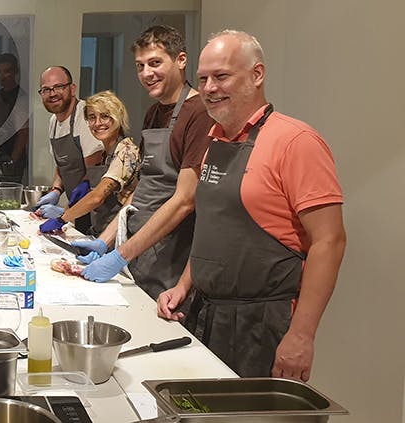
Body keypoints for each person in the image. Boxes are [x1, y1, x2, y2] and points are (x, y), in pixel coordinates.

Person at [156, 30, 346, 380]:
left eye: (221, 76)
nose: (210, 88)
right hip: (206, 315)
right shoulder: (216, 142)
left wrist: (301, 336)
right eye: (203, 79)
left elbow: (329, 242)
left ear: (257, 75)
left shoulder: (297, 141)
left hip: (262, 326)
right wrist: (184, 285)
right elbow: (214, 228)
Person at [70, 25, 215, 300]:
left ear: (181, 60)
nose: (146, 73)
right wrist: (106, 241)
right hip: (141, 246)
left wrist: (120, 255)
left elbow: (185, 199)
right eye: (140, 66)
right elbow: (144, 186)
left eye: (155, 63)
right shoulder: (152, 114)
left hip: (171, 252)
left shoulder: (199, 113)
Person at [39, 91, 141, 236]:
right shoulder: (105, 152)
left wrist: (62, 218)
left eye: (105, 116)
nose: (98, 123)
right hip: (100, 229)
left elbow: (97, 197)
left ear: (118, 118)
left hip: (119, 236)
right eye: (92, 117)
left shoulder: (126, 151)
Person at [31, 66, 105, 233]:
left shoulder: (86, 115)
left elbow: (93, 172)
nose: (52, 93)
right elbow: (63, 164)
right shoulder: (53, 122)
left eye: (58, 87)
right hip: (76, 208)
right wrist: (56, 190)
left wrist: (65, 212)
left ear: (72, 89)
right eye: (46, 90)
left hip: (95, 210)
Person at [0, 53, 30, 181]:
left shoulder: (21, 98)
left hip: (12, 156)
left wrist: (12, 161)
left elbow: (23, 133)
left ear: (15, 72)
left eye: (7, 71)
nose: (2, 76)